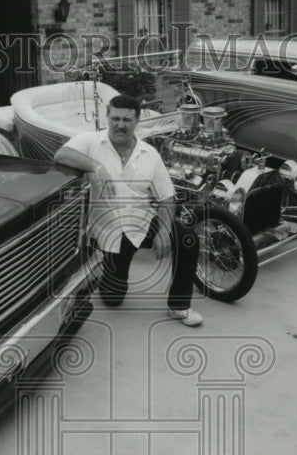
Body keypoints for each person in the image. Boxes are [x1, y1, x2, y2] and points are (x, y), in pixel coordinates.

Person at [54, 93, 203, 326]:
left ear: (137, 121)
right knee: (113, 299)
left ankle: (179, 306)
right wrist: (96, 167)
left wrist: (164, 231)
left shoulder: (149, 154)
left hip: (142, 223)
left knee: (187, 238)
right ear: (107, 117)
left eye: (127, 120)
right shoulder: (90, 142)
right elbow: (60, 155)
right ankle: (104, 270)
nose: (120, 125)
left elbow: (166, 197)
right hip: (109, 233)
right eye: (115, 118)